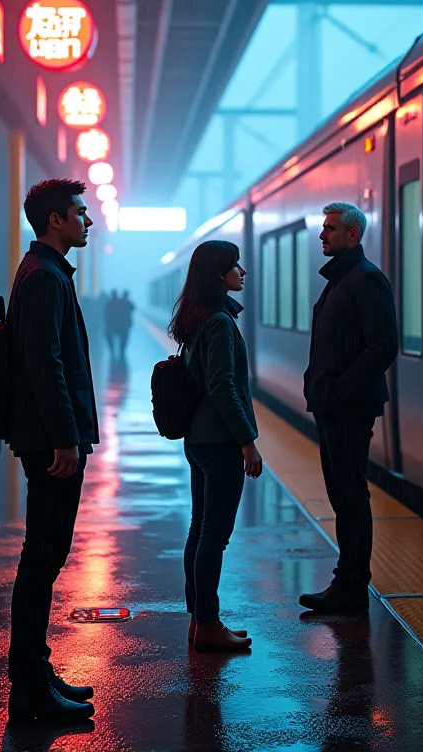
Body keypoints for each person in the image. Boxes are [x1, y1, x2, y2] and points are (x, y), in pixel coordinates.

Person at [6, 179, 99, 724]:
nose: (88, 221)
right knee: (41, 559)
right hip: (51, 443)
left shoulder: (44, 272)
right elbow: (47, 366)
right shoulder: (44, 278)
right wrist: (65, 438)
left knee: (44, 558)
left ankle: (36, 671)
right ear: (57, 220)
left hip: (50, 438)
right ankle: (29, 689)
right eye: (81, 213)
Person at [299, 202, 398, 615]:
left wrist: (341, 390)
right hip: (333, 405)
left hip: (348, 408)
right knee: (343, 494)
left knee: (350, 495)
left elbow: (383, 346)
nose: (322, 235)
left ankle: (352, 585)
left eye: (330, 229)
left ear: (352, 235)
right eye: (323, 228)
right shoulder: (341, 279)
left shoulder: (367, 279)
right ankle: (349, 581)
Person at [170, 240, 262, 653]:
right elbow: (223, 386)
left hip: (198, 439)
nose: (241, 271)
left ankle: (199, 620)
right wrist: (248, 442)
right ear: (217, 275)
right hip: (221, 441)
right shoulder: (220, 321)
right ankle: (207, 623)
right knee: (214, 536)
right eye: (234, 265)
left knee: (200, 531)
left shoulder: (197, 317)